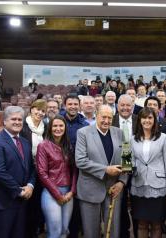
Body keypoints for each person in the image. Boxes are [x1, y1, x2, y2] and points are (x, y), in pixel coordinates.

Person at [75, 105, 128, 238]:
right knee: (91, 231)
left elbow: (127, 159)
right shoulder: (83, 133)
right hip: (90, 189)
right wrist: (105, 169)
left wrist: (122, 182)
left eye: (109, 118)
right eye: (103, 117)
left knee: (113, 230)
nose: (106, 120)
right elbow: (80, 161)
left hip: (114, 189)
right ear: (96, 115)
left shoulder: (120, 132)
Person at [0, 106, 36, 238]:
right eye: (13, 119)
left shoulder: (25, 142)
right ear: (4, 121)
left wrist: (30, 185)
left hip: (21, 203)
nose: (17, 122)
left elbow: (31, 168)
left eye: (20, 119)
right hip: (2, 202)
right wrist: (19, 191)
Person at [130, 107, 166, 238]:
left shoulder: (163, 138)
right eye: (144, 117)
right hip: (138, 186)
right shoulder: (132, 139)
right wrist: (126, 166)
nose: (147, 120)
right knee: (142, 224)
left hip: (158, 186)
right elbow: (130, 162)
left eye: (150, 117)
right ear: (139, 120)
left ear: (154, 120)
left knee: (156, 224)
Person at [36, 115, 77, 238]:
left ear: (65, 128)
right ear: (50, 128)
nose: (58, 128)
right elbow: (42, 173)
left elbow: (75, 170)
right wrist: (57, 195)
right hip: (51, 192)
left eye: (61, 125)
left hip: (68, 192)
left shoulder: (69, 146)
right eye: (55, 126)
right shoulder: (43, 145)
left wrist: (72, 191)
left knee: (64, 230)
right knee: (55, 230)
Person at [61, 95, 88, 238]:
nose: (72, 106)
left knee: (76, 206)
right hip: (59, 170)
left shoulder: (84, 125)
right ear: (65, 105)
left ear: (80, 106)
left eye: (75, 104)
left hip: (78, 170)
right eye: (70, 104)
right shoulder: (58, 122)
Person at [20, 99, 47, 238]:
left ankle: (35, 230)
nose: (40, 113)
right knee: (26, 205)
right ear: (31, 109)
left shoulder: (45, 128)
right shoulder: (23, 127)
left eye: (43, 111)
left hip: (41, 172)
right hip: (26, 171)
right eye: (37, 109)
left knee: (37, 203)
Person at [111, 94, 137, 238]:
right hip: (117, 168)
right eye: (122, 105)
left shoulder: (139, 120)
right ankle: (123, 232)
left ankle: (138, 231)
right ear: (117, 106)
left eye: (128, 105)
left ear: (132, 106)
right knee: (119, 204)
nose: (125, 108)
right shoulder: (111, 120)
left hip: (137, 168)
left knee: (136, 204)